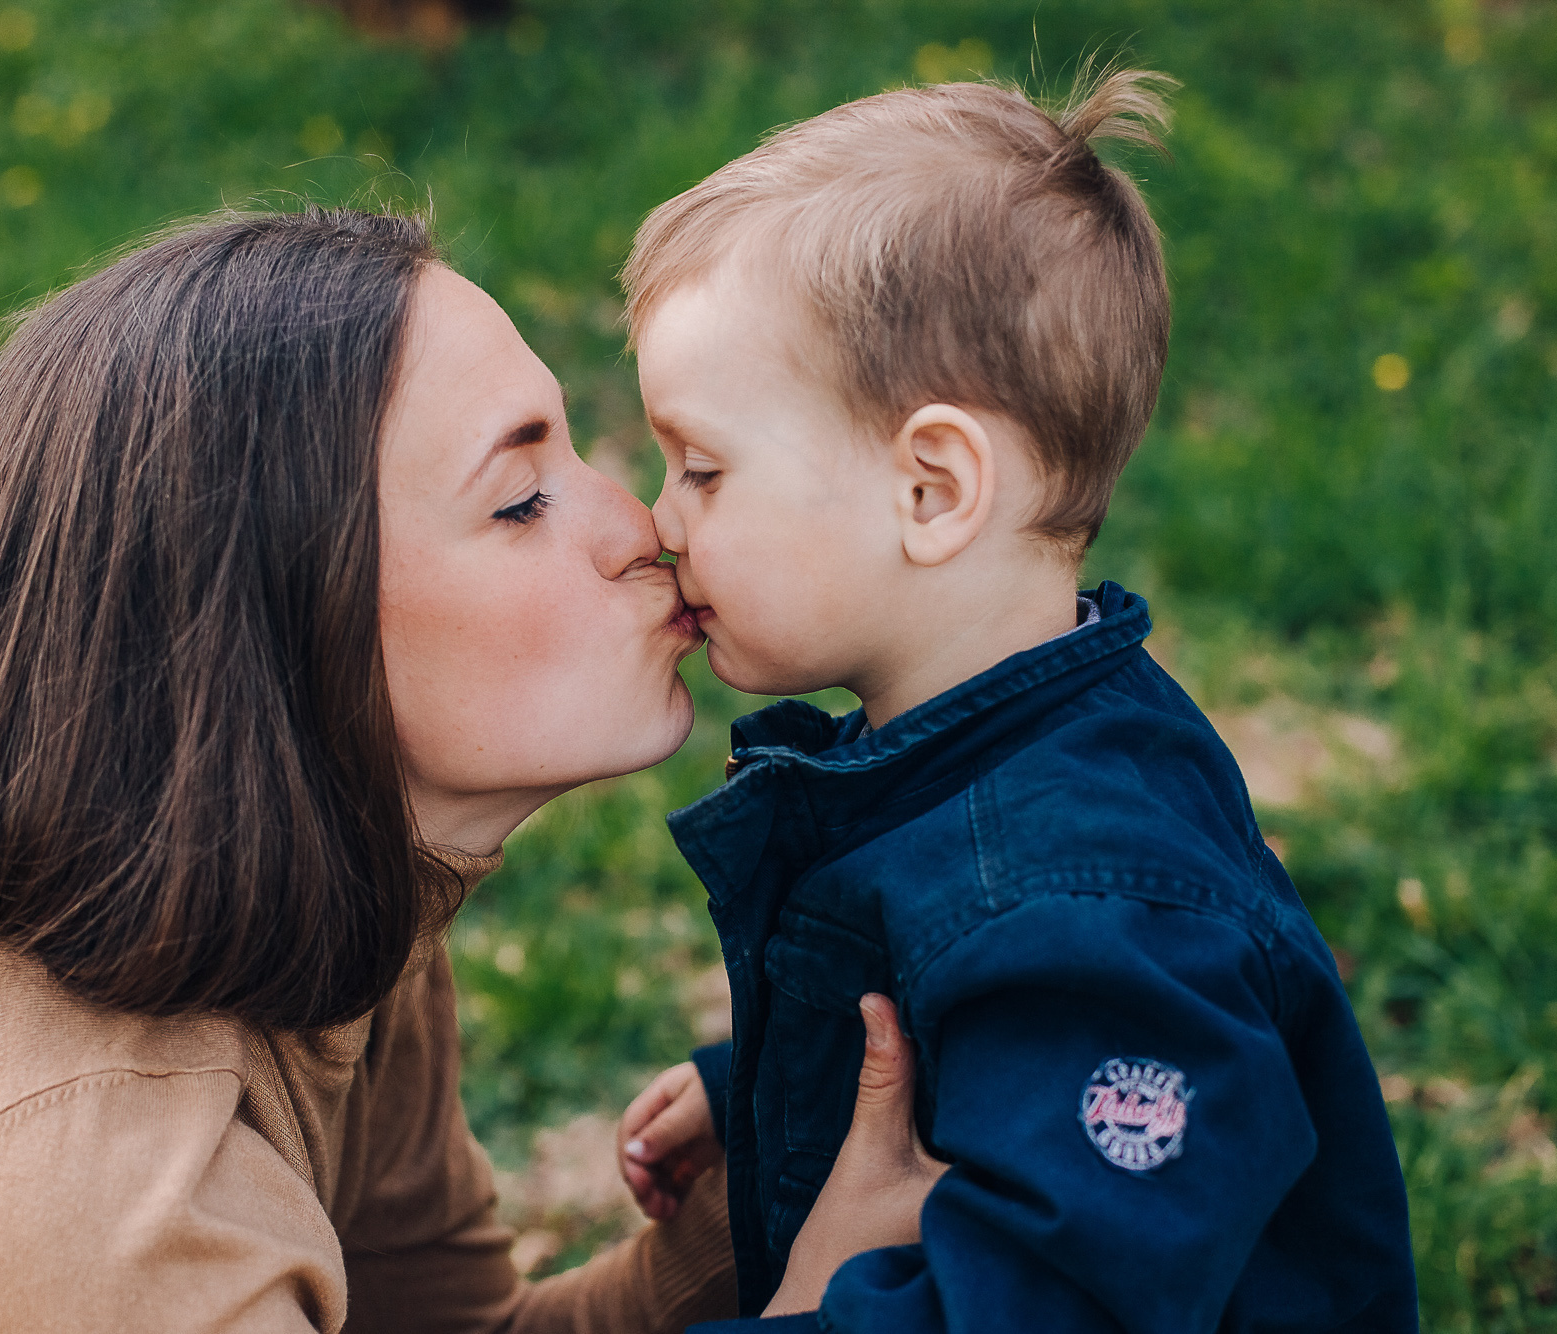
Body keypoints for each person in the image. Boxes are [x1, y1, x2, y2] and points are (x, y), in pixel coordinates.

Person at [0, 209, 938, 1334]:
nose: (634, 525)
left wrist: (762, 1203)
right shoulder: (108, 1178)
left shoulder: (323, 895)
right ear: (270, 636)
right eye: (520, 499)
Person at [609, 73, 1420, 1332]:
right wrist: (768, 1079)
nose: (660, 522)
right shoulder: (1004, 742)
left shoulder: (1086, 902)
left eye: (702, 468)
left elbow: (1050, 1292)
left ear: (931, 488)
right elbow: (970, 1033)